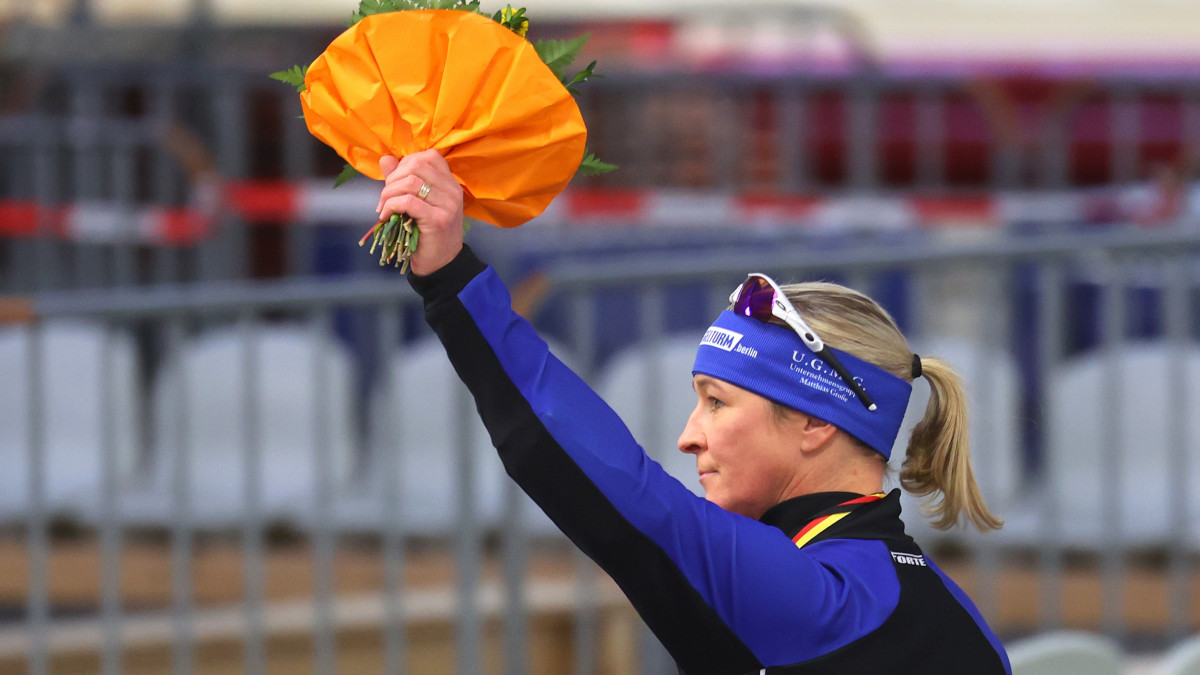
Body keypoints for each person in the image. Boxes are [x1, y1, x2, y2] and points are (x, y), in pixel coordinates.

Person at [379, 149, 1011, 674]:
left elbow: (596, 472)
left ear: (818, 422)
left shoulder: (823, 595)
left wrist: (450, 278)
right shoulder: (947, 608)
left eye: (717, 402)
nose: (688, 437)